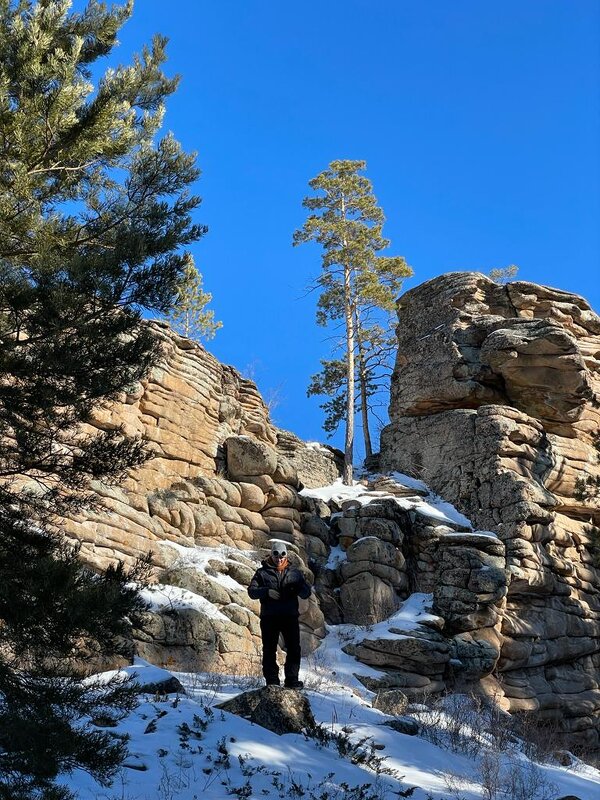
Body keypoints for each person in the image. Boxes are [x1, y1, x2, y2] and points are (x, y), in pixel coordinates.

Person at [248, 540, 311, 689]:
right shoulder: (261, 573)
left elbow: (306, 592)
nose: (279, 558)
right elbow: (251, 592)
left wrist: (297, 588)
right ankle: (272, 682)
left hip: (290, 617)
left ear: (286, 556)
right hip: (269, 618)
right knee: (269, 650)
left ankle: (292, 681)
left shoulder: (295, 573)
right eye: (276, 555)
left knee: (294, 649)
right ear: (272, 555)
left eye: (282, 555)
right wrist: (266, 592)